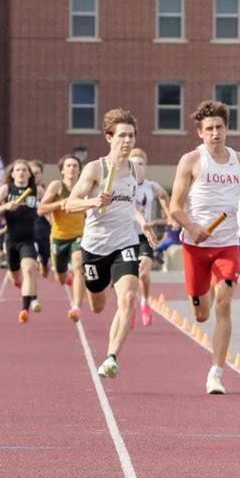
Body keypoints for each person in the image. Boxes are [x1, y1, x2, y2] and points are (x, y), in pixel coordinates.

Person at [170, 100, 240, 395]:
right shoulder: (191, 161)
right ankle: (200, 293)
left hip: (227, 245)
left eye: (219, 127)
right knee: (201, 315)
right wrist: (193, 227)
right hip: (195, 246)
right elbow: (174, 207)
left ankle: (216, 372)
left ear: (227, 128)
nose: (215, 133)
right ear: (200, 132)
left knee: (224, 303)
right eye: (209, 129)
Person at [65, 108, 156, 379]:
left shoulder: (135, 171)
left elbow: (130, 205)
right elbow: (70, 204)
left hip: (125, 244)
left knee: (128, 297)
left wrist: (142, 223)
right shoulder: (96, 169)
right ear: (109, 137)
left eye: (131, 136)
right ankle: (92, 292)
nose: (127, 141)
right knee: (98, 306)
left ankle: (111, 357)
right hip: (94, 248)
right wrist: (93, 201)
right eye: (121, 136)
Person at [0, 159, 44, 322]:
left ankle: (25, 308)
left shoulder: (37, 191)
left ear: (29, 173)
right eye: (17, 170)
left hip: (28, 239)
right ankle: (21, 285)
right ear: (12, 173)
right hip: (11, 239)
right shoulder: (6, 189)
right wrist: (5, 207)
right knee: (15, 276)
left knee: (29, 268)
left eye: (24, 170)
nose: (21, 173)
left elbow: (47, 207)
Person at [38, 154, 85, 322]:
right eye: (69, 166)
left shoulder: (84, 186)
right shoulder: (57, 186)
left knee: (79, 265)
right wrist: (60, 204)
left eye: (75, 165)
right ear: (62, 170)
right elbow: (41, 209)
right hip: (58, 237)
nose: (72, 168)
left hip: (79, 235)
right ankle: (68, 278)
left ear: (80, 169)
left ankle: (76, 307)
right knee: (60, 277)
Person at [128, 147, 172, 326]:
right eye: (133, 164)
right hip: (124, 238)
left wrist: (169, 215)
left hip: (144, 236)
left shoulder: (151, 186)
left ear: (145, 166)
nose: (137, 167)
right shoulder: (123, 185)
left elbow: (164, 195)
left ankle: (145, 302)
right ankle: (128, 307)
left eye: (140, 164)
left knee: (144, 272)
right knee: (128, 278)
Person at [29, 160, 51, 278]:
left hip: (42, 227)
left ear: (41, 175)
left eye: (36, 173)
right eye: (31, 173)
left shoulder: (46, 190)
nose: (34, 176)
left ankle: (43, 262)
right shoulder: (17, 189)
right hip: (26, 228)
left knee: (44, 264)